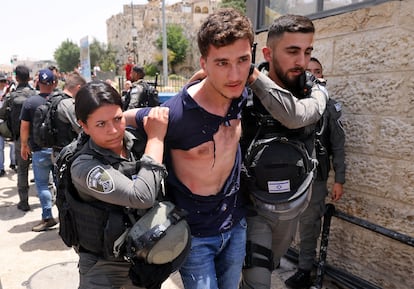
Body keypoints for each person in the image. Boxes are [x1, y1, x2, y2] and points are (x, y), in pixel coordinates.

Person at [125, 8, 328, 289]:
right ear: (204, 63)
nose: (234, 74)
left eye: (243, 60)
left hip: (235, 226)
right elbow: (118, 120)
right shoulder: (177, 114)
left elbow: (291, 111)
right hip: (194, 236)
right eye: (221, 63)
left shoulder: (241, 95)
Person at [240, 15, 328, 289]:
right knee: (258, 279)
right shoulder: (242, 89)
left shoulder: (315, 90)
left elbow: (295, 116)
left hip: (291, 206)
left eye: (308, 51)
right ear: (268, 53)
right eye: (293, 51)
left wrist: (253, 76)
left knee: (269, 265)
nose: (301, 61)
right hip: (252, 206)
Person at [69, 80, 168, 289]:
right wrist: (157, 139)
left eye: (118, 118)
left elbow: (166, 111)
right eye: (101, 124)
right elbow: (141, 196)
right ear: (84, 126)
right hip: (104, 266)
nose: (113, 130)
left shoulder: (135, 143)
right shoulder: (84, 165)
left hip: (143, 259)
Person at [285, 57, 345, 289]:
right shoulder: (291, 103)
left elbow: (338, 146)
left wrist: (339, 180)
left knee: (309, 225)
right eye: (308, 71)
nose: (313, 75)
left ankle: (304, 270)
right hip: (290, 176)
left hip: (316, 178)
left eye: (317, 71)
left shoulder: (329, 106)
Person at [20, 68, 57, 231]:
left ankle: (47, 217)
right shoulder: (60, 99)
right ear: (54, 83)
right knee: (61, 184)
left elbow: (24, 127)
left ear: (38, 83)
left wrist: (23, 145)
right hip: (59, 150)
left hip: (39, 150)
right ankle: (65, 217)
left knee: (42, 185)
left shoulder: (30, 102)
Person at [0, 65, 36, 211]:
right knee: (45, 170)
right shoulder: (36, 94)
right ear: (29, 78)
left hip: (20, 139)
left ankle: (24, 201)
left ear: (16, 78)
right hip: (38, 139)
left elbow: (1, 114)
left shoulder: (11, 96)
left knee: (22, 170)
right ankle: (49, 201)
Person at [52, 71, 86, 158]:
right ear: (79, 87)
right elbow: (82, 129)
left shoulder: (54, 98)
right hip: (68, 153)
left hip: (57, 150)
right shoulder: (68, 104)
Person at [0, 74, 16, 176]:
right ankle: (1, 168)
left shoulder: (10, 92)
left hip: (7, 123)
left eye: (4, 81)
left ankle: (13, 163)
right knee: (0, 147)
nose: (3, 83)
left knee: (12, 144)